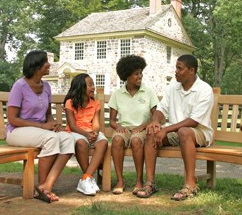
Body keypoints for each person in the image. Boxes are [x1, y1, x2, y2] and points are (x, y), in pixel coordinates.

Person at [136, 54, 214, 201]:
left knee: (184, 132)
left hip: (200, 132)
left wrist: (165, 129)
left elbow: (194, 121)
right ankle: (150, 183)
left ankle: (190, 185)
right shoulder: (173, 86)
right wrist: (155, 122)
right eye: (176, 68)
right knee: (152, 133)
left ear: (192, 71)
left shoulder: (204, 89)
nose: (176, 71)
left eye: (180, 68)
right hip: (174, 130)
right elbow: (161, 109)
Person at [5, 50, 75, 203]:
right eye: (46, 62)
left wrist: (53, 123)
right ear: (36, 66)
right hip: (17, 131)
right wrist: (42, 126)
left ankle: (45, 186)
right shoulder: (19, 86)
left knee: (68, 139)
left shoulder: (46, 87)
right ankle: (41, 188)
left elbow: (47, 113)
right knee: (50, 138)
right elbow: (12, 119)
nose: (49, 64)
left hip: (39, 130)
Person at [108, 55, 159, 195]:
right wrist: (117, 126)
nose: (140, 76)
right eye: (136, 74)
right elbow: (111, 121)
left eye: (141, 73)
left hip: (143, 128)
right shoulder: (117, 94)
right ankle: (120, 181)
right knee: (117, 140)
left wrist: (142, 127)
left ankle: (139, 181)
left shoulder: (148, 92)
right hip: (124, 129)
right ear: (127, 75)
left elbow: (156, 117)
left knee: (136, 140)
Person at [64, 73, 108, 196]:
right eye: (90, 85)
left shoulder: (95, 103)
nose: (93, 87)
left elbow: (96, 124)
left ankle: (86, 178)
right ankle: (89, 179)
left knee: (103, 142)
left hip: (90, 132)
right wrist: (87, 134)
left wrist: (95, 133)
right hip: (75, 132)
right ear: (80, 87)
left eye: (93, 84)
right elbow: (72, 126)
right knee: (81, 143)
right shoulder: (70, 102)